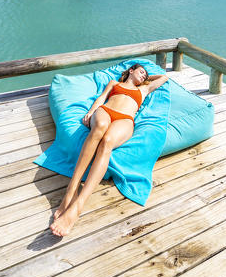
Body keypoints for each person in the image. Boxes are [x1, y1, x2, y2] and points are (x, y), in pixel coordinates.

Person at [50, 63, 168, 237]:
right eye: (141, 72)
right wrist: (91, 111)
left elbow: (164, 77)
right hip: (106, 111)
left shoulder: (144, 90)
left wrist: (146, 78)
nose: (143, 76)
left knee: (107, 141)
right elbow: (101, 98)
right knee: (100, 127)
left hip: (125, 120)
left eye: (145, 75)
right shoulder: (114, 83)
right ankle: (71, 190)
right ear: (131, 70)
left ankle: (78, 205)